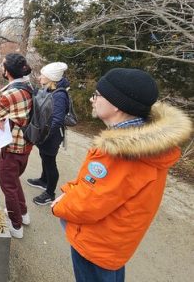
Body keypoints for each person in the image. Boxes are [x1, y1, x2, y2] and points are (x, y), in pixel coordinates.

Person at [51, 68, 192, 282]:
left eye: (97, 95)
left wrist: (58, 206)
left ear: (116, 104)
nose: (92, 99)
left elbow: (88, 204)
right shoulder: (147, 145)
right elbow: (92, 186)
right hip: (115, 245)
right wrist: (69, 191)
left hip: (96, 246)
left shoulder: (121, 153)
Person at [0, 53, 33, 239]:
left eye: (2, 65)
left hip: (12, 147)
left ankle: (16, 226)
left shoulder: (11, 93)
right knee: (14, 181)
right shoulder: (27, 85)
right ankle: (23, 214)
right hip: (25, 145)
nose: (0, 68)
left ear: (8, 70)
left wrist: (0, 114)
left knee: (7, 185)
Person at [26, 62, 70, 205]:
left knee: (50, 162)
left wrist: (45, 136)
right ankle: (43, 180)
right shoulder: (49, 90)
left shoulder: (59, 95)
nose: (39, 77)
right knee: (44, 157)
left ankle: (50, 193)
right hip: (44, 134)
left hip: (51, 136)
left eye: (42, 75)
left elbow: (57, 120)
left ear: (51, 78)